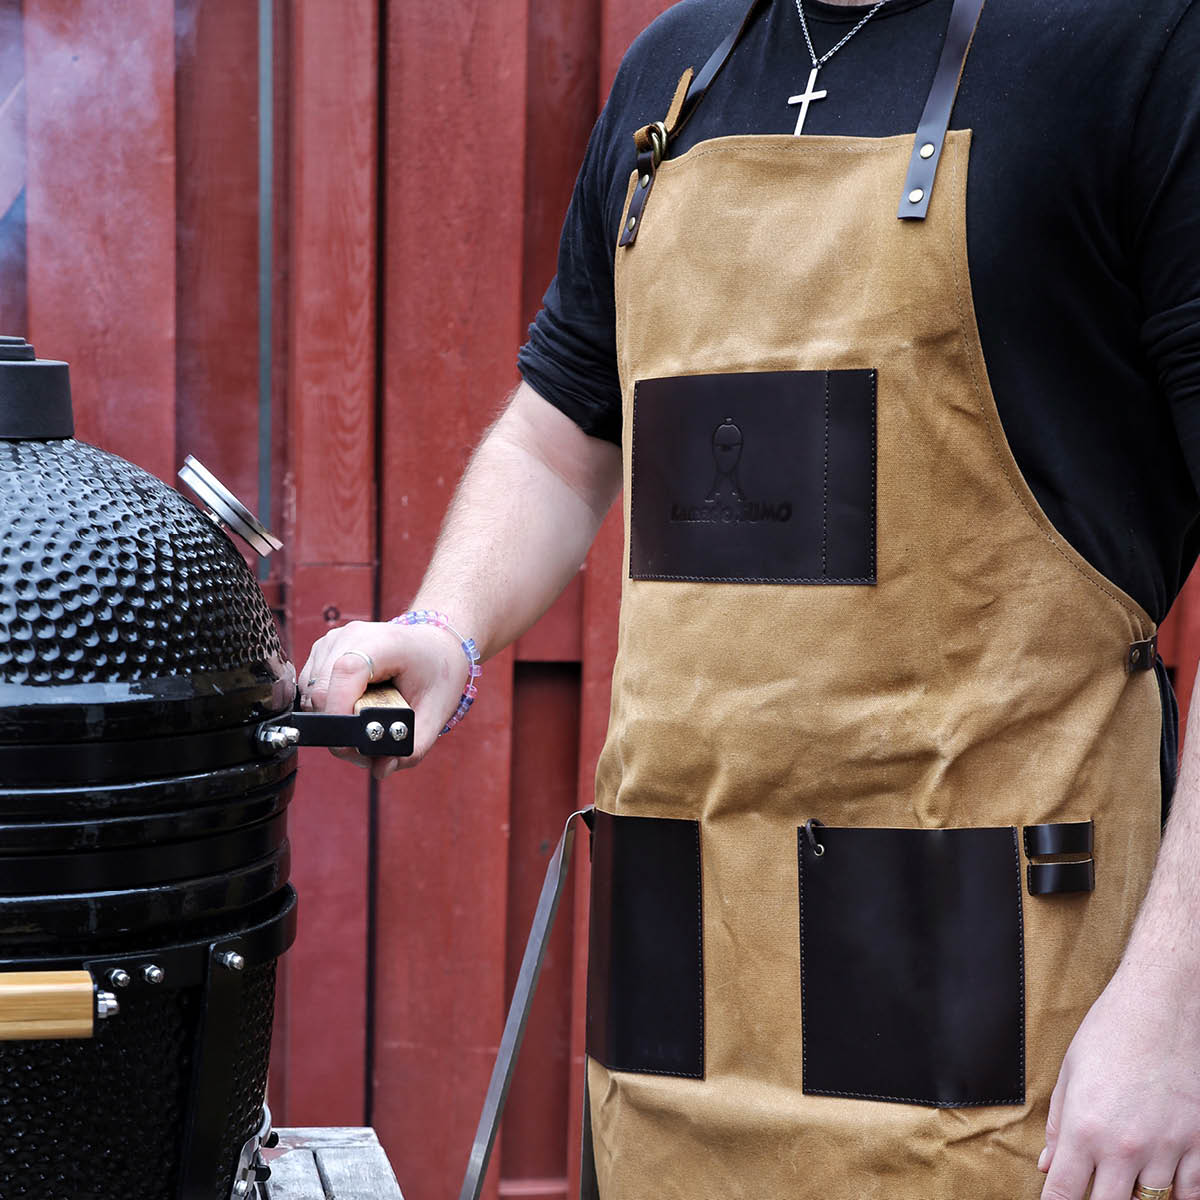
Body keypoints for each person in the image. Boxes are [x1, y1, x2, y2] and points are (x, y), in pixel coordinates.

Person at [299, 0, 1200, 1196]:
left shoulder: (1135, 42)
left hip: (995, 1040)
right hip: (681, 1019)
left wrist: (1173, 1020)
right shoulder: (674, 70)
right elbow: (563, 432)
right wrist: (444, 627)